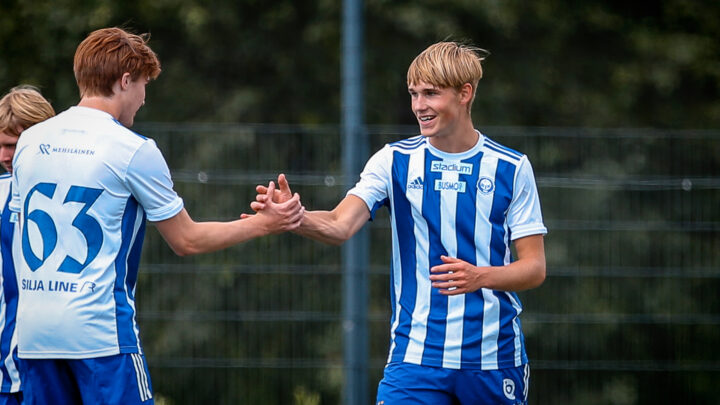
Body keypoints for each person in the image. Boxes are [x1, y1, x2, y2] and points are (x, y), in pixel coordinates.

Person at [9, 27, 304, 405]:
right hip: (99, 335)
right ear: (125, 80)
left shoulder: (31, 140)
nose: (144, 98)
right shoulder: (133, 149)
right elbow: (187, 239)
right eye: (144, 85)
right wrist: (264, 223)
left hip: (35, 337)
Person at [250, 42, 547, 404]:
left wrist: (480, 276)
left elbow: (534, 268)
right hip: (415, 360)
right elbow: (340, 224)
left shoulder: (511, 168)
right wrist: (294, 217)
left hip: (492, 361)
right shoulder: (394, 160)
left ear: (465, 94)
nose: (419, 106)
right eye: (414, 94)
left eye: (431, 94)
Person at [0, 85, 55, 405]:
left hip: (66, 355)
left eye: (12, 145)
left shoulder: (79, 188)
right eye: (1, 146)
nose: (4, 157)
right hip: (11, 367)